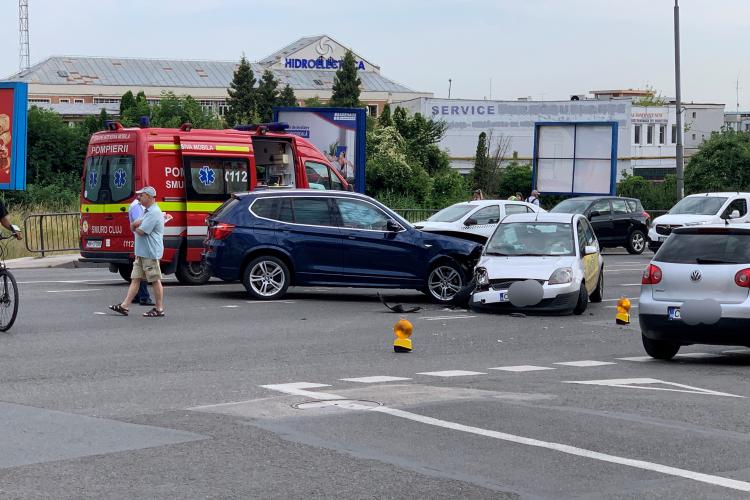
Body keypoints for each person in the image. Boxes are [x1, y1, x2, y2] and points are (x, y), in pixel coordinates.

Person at [109, 186, 165, 317]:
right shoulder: (146, 211)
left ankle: (159, 308)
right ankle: (124, 306)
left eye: (142, 195)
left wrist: (134, 226)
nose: (139, 197)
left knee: (155, 279)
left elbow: (141, 230)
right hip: (141, 253)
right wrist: (135, 225)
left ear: (149, 197)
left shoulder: (154, 212)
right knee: (135, 279)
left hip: (150, 252)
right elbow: (136, 224)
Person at [128, 197, 154, 306]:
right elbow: (140, 223)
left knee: (138, 272)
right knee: (144, 271)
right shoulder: (136, 206)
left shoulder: (138, 206)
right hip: (142, 240)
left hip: (141, 240)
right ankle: (144, 297)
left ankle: (138, 296)